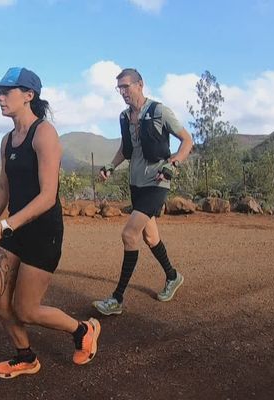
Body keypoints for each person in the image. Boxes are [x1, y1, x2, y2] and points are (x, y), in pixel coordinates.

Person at [0, 67, 100, 379]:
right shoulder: (7, 140)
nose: (0, 98)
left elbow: (47, 196)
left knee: (27, 309)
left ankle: (83, 329)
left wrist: (3, 226)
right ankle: (25, 357)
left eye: (7, 92)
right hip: (14, 229)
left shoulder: (44, 134)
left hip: (43, 231)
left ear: (29, 95)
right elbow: (5, 188)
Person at [92, 68, 193, 316]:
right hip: (136, 183)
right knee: (150, 237)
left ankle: (117, 299)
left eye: (126, 86)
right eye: (120, 88)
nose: (123, 92)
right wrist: (110, 166)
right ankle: (173, 276)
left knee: (129, 234)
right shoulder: (125, 117)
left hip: (158, 182)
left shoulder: (159, 111)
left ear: (140, 84)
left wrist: (173, 164)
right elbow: (126, 149)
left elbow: (187, 140)